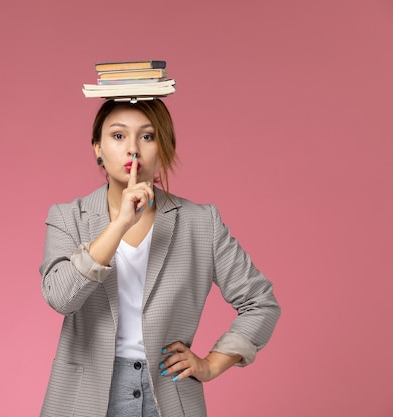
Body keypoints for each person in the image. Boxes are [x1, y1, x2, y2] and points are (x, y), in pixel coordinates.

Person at [39, 98, 280, 417]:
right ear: (97, 147)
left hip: (168, 394)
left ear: (164, 148)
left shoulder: (200, 222)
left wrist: (212, 364)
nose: (133, 149)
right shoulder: (68, 217)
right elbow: (61, 298)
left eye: (148, 136)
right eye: (118, 136)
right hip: (85, 396)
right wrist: (120, 224)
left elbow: (260, 302)